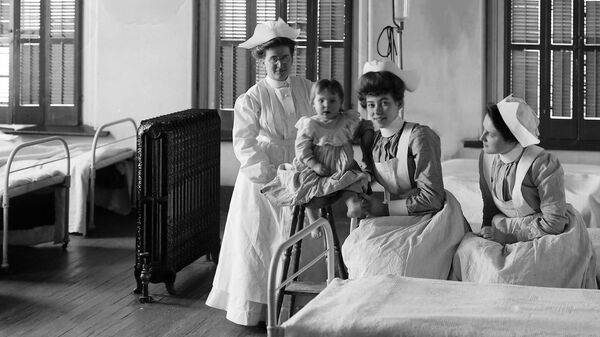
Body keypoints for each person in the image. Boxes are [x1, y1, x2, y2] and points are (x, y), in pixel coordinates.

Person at [205, 18, 316, 326]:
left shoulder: (307, 88)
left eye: (285, 58)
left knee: (299, 238)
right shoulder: (251, 98)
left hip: (301, 168)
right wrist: (271, 179)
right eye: (273, 59)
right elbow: (244, 145)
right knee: (260, 241)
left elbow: (320, 125)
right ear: (262, 62)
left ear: (292, 58)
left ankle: (301, 309)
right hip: (263, 178)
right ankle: (256, 312)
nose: (280, 64)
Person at [341, 60, 469, 280]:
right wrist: (353, 196)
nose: (377, 111)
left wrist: (384, 209)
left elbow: (432, 198)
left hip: (432, 218)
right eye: (371, 105)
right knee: (361, 251)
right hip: (395, 217)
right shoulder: (372, 139)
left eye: (384, 103)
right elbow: (367, 175)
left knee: (402, 265)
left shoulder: (419, 137)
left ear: (398, 103)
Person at [452, 96, 597, 288]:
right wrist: (488, 228)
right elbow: (489, 203)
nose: (482, 138)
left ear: (513, 136)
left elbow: (554, 222)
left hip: (545, 233)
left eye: (491, 134)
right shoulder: (487, 159)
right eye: (483, 129)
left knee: (519, 273)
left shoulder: (542, 163)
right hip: (504, 227)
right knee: (467, 251)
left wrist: (510, 238)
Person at [260, 79, 372, 233]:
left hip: (342, 165)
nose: (327, 105)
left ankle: (351, 203)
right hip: (318, 167)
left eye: (333, 101)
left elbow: (361, 127)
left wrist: (367, 130)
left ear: (340, 103)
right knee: (308, 189)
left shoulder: (346, 120)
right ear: (313, 103)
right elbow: (302, 149)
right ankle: (314, 218)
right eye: (321, 100)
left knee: (353, 179)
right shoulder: (310, 124)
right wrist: (314, 164)